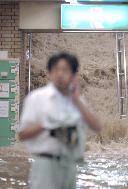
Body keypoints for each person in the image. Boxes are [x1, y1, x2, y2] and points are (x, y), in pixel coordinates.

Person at [18, 52, 101, 189]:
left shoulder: (77, 101)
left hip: (70, 165)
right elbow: (22, 134)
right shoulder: (37, 98)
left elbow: (97, 126)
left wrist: (77, 101)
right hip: (45, 163)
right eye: (56, 69)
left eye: (65, 70)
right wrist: (46, 125)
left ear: (73, 75)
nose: (60, 74)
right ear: (50, 72)